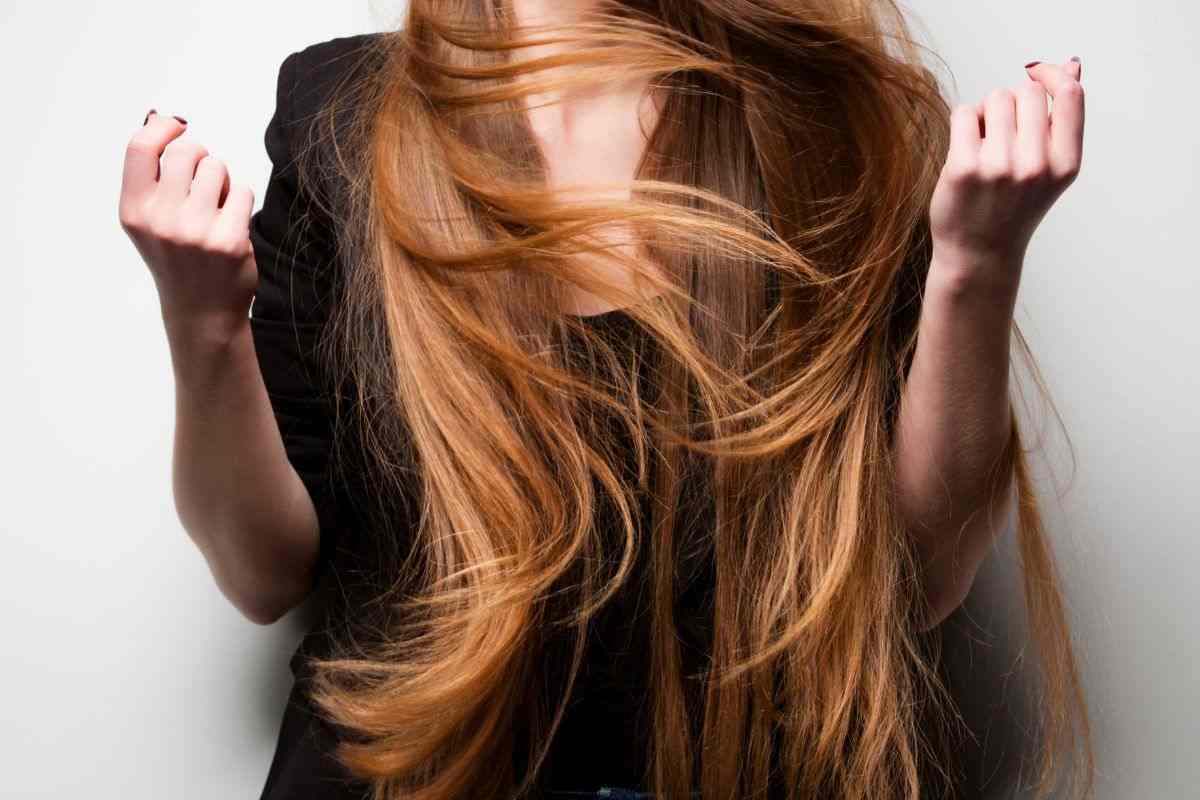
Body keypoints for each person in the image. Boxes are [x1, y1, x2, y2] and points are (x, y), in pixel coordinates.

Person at [117, 2, 1093, 798]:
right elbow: (262, 574)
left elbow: (919, 581)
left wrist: (978, 263)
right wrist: (202, 324)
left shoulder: (833, 115)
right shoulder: (342, 112)